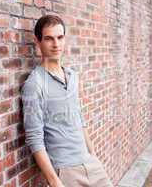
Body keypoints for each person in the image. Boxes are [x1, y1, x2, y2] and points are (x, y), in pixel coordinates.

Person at [21, 15, 113, 187]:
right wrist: (55, 182)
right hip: (65, 171)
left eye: (60, 37)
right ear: (37, 42)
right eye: (49, 39)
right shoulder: (34, 85)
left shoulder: (72, 76)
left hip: (91, 164)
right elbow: (34, 138)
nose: (56, 44)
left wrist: (93, 155)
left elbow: (79, 118)